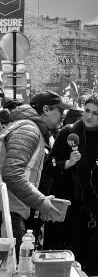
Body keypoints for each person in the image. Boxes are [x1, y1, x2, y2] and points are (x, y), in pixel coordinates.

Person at [43, 92, 98, 277]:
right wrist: (67, 163)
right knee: (64, 259)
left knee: (94, 262)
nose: (89, 116)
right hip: (68, 206)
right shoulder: (68, 132)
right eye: (86, 110)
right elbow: (49, 166)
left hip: (95, 209)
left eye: (95, 113)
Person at [0, 90, 71, 256]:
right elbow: (12, 174)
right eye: (60, 110)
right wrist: (40, 202)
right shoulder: (29, 129)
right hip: (7, 211)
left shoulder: (27, 127)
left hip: (11, 208)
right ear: (46, 110)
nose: (63, 115)